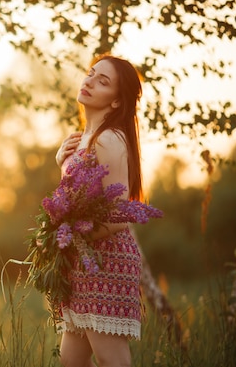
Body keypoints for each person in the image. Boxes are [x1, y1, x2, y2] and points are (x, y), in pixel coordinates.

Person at [54, 54, 144, 367]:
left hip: (106, 259)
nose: (89, 81)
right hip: (83, 259)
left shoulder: (109, 138)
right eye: (91, 74)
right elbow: (77, 198)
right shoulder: (83, 138)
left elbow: (120, 213)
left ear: (117, 101)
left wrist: (72, 236)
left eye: (102, 81)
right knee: (71, 360)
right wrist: (61, 163)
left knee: (111, 360)